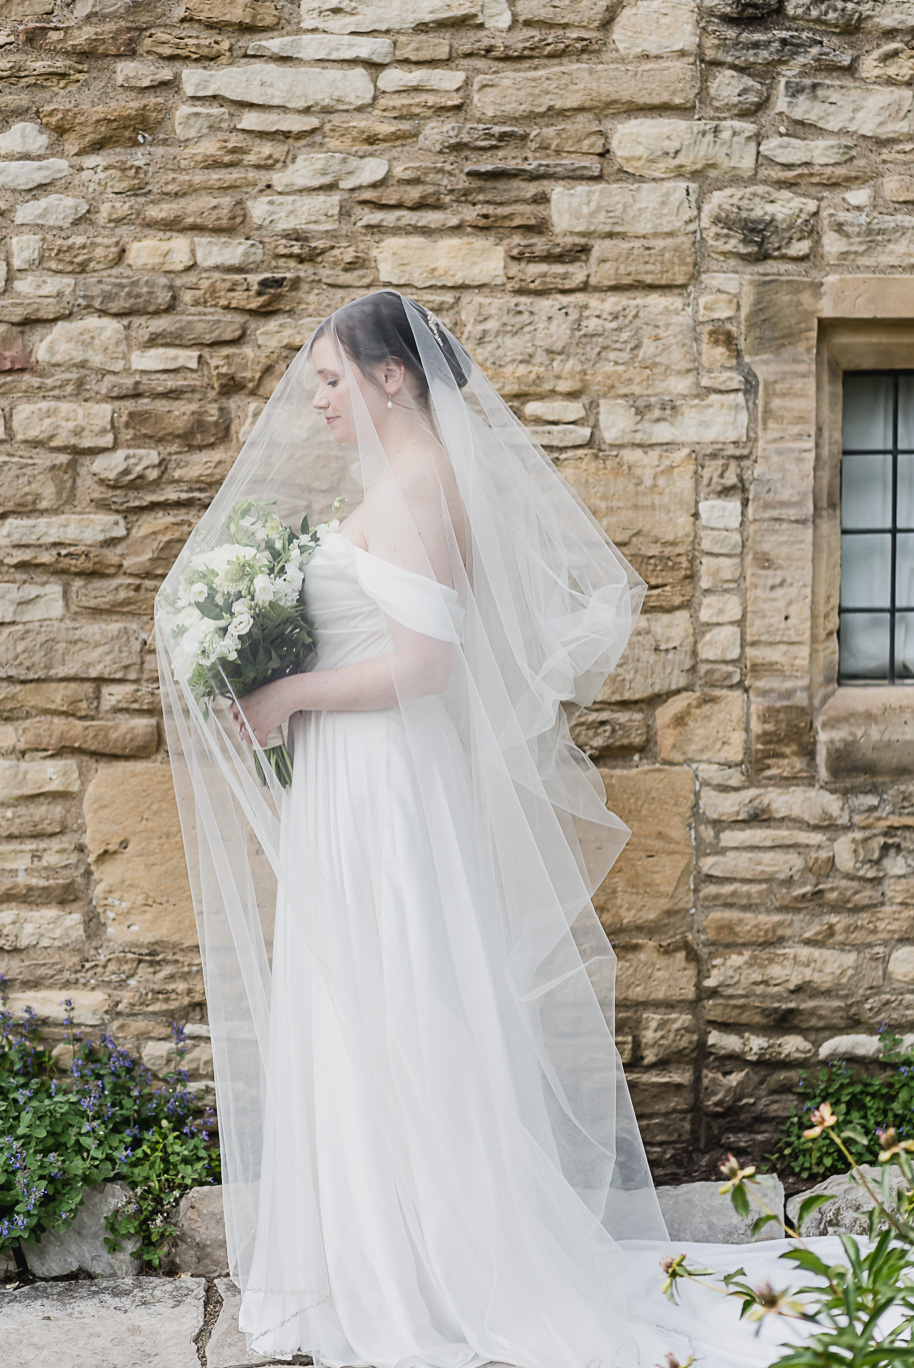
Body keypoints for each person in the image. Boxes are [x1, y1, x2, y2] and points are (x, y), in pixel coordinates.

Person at [156, 291, 840, 1368]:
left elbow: (423, 670)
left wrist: (288, 699)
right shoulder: (397, 480)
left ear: (393, 377)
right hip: (360, 779)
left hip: (387, 787)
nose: (318, 398)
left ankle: (422, 1270)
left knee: (394, 999)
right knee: (361, 1001)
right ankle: (375, 1253)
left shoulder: (424, 483)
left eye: (333, 378)